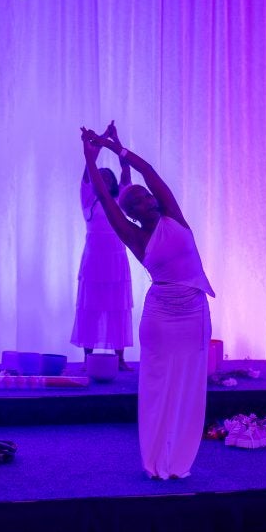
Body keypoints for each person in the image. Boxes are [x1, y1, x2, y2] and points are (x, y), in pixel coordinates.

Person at [81, 126, 214, 480]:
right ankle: (154, 459)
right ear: (132, 212)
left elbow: (149, 172)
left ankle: (179, 458)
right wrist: (89, 159)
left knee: (188, 384)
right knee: (157, 383)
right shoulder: (134, 234)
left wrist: (116, 147)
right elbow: (107, 202)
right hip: (160, 314)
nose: (144, 200)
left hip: (194, 311)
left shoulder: (174, 216)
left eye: (144, 196)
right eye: (135, 201)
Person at [71, 121, 134, 370]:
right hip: (94, 260)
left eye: (109, 177)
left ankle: (119, 359)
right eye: (102, 176)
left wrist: (114, 141)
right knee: (91, 307)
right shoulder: (88, 198)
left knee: (117, 308)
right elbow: (89, 168)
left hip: (116, 259)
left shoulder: (122, 198)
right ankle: (89, 358)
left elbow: (125, 167)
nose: (105, 179)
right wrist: (94, 146)